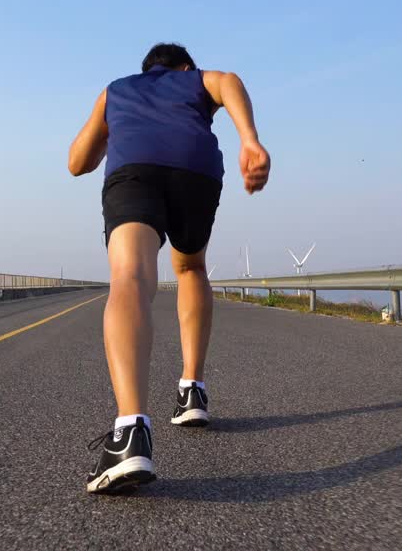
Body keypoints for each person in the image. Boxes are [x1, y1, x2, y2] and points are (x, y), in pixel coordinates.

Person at [68, 42, 271, 494]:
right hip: (195, 170)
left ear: (146, 70)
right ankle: (192, 390)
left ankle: (130, 433)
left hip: (135, 171)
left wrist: (110, 129)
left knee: (131, 276)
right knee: (191, 269)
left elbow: (77, 163)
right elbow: (229, 80)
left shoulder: (116, 90)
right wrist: (250, 140)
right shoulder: (196, 79)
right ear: (184, 67)